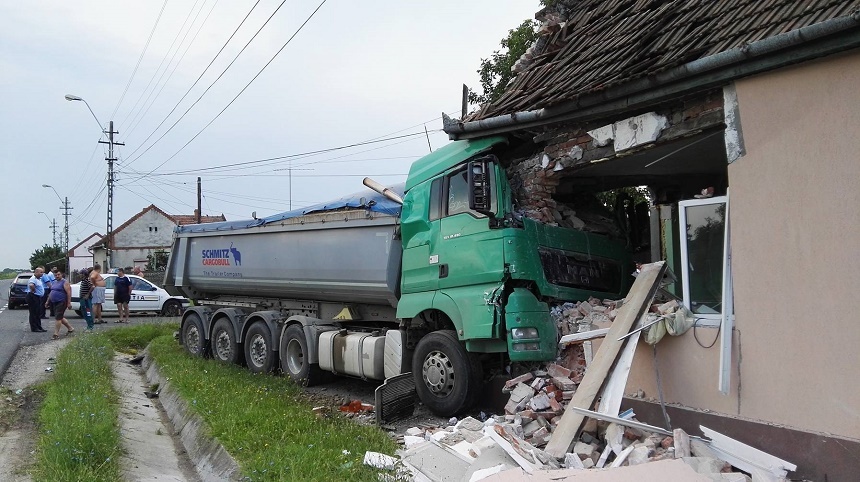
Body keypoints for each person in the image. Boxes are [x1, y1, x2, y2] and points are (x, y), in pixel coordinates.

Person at [47, 269, 74, 339]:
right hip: (54, 302)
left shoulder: (64, 282)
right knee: (59, 317)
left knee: (58, 317)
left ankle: (56, 334)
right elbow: (51, 292)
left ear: (61, 274)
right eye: (55, 275)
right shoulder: (54, 282)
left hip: (61, 301)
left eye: (58, 274)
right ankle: (70, 328)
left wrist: (69, 303)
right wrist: (47, 301)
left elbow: (68, 293)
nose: (57, 276)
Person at [26, 268, 47, 332]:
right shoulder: (33, 279)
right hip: (33, 297)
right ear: (36, 272)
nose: (42, 274)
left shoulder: (38, 279)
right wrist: (33, 290)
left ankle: (39, 326)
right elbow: (31, 285)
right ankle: (34, 328)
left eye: (42, 272)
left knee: (38, 312)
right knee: (34, 313)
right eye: (41, 272)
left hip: (37, 297)